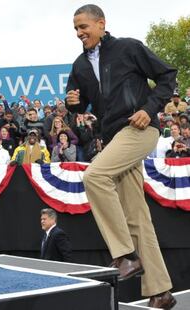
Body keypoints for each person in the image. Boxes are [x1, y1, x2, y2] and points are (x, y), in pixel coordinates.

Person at [66, 4, 176, 308]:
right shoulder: (79, 65)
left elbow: (168, 76)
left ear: (101, 24)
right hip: (114, 138)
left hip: (140, 128)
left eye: (83, 27)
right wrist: (74, 103)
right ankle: (161, 291)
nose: (79, 33)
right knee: (138, 218)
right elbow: (80, 103)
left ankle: (125, 256)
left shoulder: (129, 48)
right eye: (75, 29)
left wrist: (148, 108)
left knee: (95, 176)